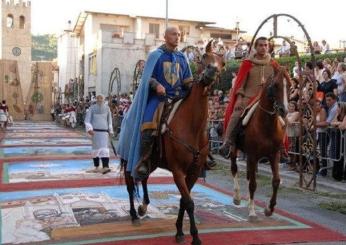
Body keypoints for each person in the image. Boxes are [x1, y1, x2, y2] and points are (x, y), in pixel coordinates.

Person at [117, 26, 194, 179]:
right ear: (165, 37)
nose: (177, 37)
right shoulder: (155, 56)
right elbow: (147, 78)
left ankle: (201, 156)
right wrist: (156, 85)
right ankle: (144, 160)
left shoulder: (182, 57)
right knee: (148, 123)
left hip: (179, 98)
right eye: (173, 34)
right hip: (159, 99)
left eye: (179, 35)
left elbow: (188, 81)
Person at [220, 37, 288, 157]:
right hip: (249, 97)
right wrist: (240, 99)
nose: (263, 47)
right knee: (236, 115)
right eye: (261, 45)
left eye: (266, 45)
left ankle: (282, 147)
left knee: (282, 119)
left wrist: (284, 73)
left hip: (267, 98)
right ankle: (227, 142)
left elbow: (282, 83)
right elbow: (240, 84)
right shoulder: (247, 63)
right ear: (255, 47)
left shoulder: (273, 64)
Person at [84, 94, 113, 174]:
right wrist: (89, 129)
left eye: (101, 98)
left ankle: (105, 166)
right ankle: (96, 166)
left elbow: (109, 120)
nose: (99, 99)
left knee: (105, 149)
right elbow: (87, 120)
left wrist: (110, 130)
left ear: (103, 99)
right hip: (95, 132)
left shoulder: (107, 108)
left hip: (104, 132)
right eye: (98, 98)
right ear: (96, 99)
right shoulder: (92, 108)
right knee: (96, 150)